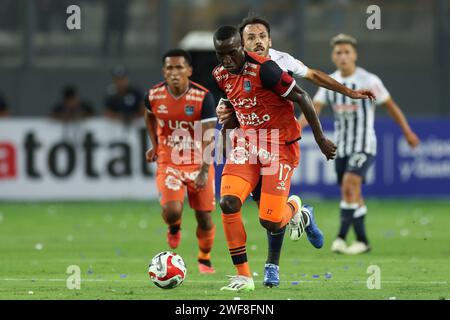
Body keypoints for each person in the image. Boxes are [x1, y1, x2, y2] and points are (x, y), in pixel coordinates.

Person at [216, 15, 375, 288]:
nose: (257, 41)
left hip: (278, 145)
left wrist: (345, 100)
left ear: (269, 39)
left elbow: (311, 82)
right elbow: (234, 103)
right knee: (229, 202)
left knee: (270, 219)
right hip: (248, 145)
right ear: (241, 43)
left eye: (262, 36)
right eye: (251, 37)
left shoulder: (277, 64)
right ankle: (246, 275)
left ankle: (297, 213)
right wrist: (224, 125)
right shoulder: (222, 71)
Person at [305, 34, 420, 254]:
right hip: (341, 147)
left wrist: (407, 132)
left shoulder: (369, 81)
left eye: (347, 52)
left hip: (364, 144)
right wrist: (294, 129)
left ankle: (339, 238)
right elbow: (313, 111)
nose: (343, 56)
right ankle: (362, 241)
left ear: (355, 55)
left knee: (349, 185)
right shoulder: (330, 81)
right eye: (339, 52)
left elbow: (391, 106)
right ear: (333, 56)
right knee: (352, 194)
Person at [144, 49, 218, 274]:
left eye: (179, 67)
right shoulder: (153, 95)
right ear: (163, 72)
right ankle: (174, 227)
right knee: (172, 211)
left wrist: (205, 171)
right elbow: (149, 115)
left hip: (198, 162)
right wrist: (156, 145)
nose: (174, 72)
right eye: (169, 68)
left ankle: (204, 258)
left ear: (189, 70)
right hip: (169, 161)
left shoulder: (203, 97)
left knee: (204, 217)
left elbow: (209, 136)